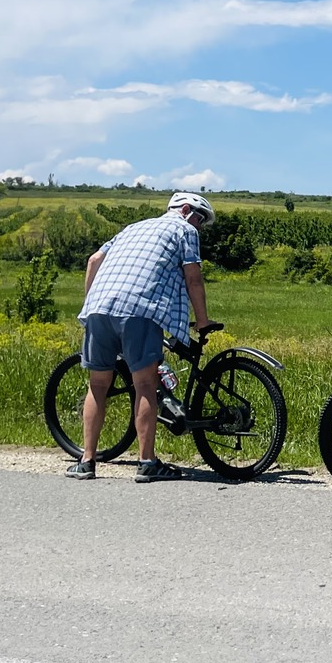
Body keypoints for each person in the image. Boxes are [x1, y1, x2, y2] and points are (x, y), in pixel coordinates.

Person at [68, 191, 216, 482]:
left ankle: (86, 462)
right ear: (185, 210)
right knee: (145, 384)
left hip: (98, 307)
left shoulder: (132, 228)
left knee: (98, 385)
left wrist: (92, 304)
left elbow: (94, 260)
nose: (199, 226)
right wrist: (202, 320)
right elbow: (193, 276)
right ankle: (147, 462)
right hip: (140, 309)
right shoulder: (184, 229)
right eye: (200, 219)